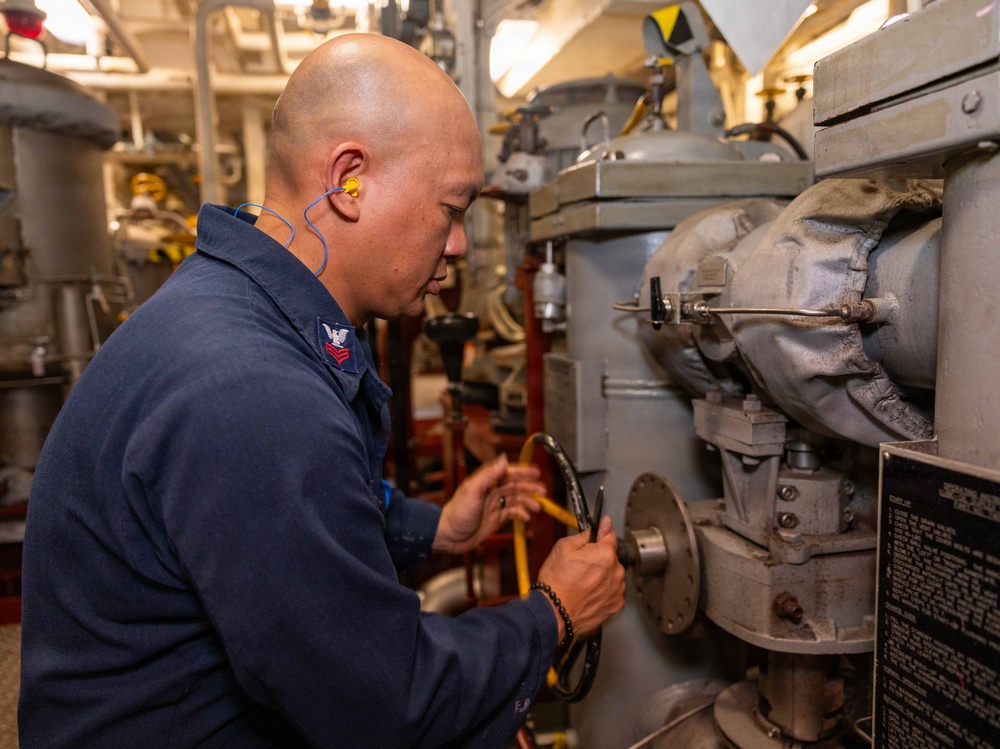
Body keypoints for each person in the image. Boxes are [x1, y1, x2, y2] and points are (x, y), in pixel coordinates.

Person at [18, 33, 625, 749]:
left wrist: (433, 528)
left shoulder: (233, 306)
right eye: (451, 208)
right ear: (348, 180)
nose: (459, 244)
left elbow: (278, 526)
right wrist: (551, 612)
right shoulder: (253, 391)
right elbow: (384, 705)